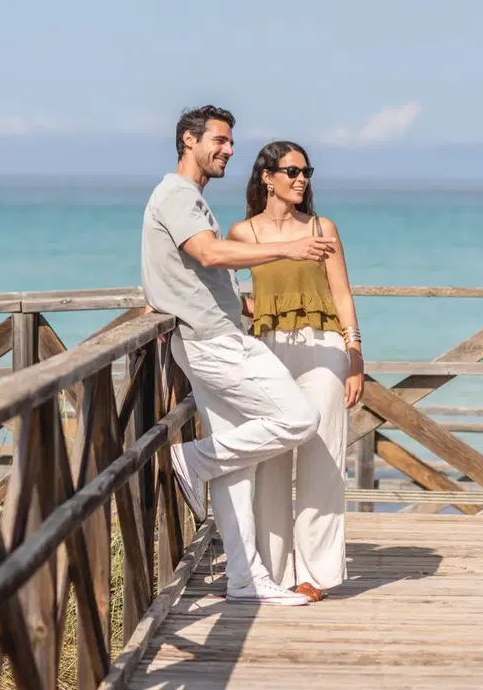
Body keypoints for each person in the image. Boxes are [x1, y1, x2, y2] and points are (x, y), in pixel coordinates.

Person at [140, 105, 337, 606]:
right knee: (299, 418)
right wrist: (288, 250)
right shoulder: (178, 194)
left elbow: (193, 269)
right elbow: (209, 253)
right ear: (189, 140)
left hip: (208, 332)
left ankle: (246, 581)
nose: (229, 150)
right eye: (220, 141)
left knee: (238, 468)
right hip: (213, 341)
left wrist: (237, 300)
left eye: (231, 142)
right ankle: (190, 458)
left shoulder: (185, 198)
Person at [228, 141, 365, 603]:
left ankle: (317, 573)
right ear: (267, 177)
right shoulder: (243, 232)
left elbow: (342, 295)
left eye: (307, 170)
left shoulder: (323, 228)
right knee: (270, 460)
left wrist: (356, 355)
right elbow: (222, 288)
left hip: (324, 349)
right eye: (291, 170)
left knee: (322, 460)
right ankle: (269, 570)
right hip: (269, 350)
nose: (301, 178)